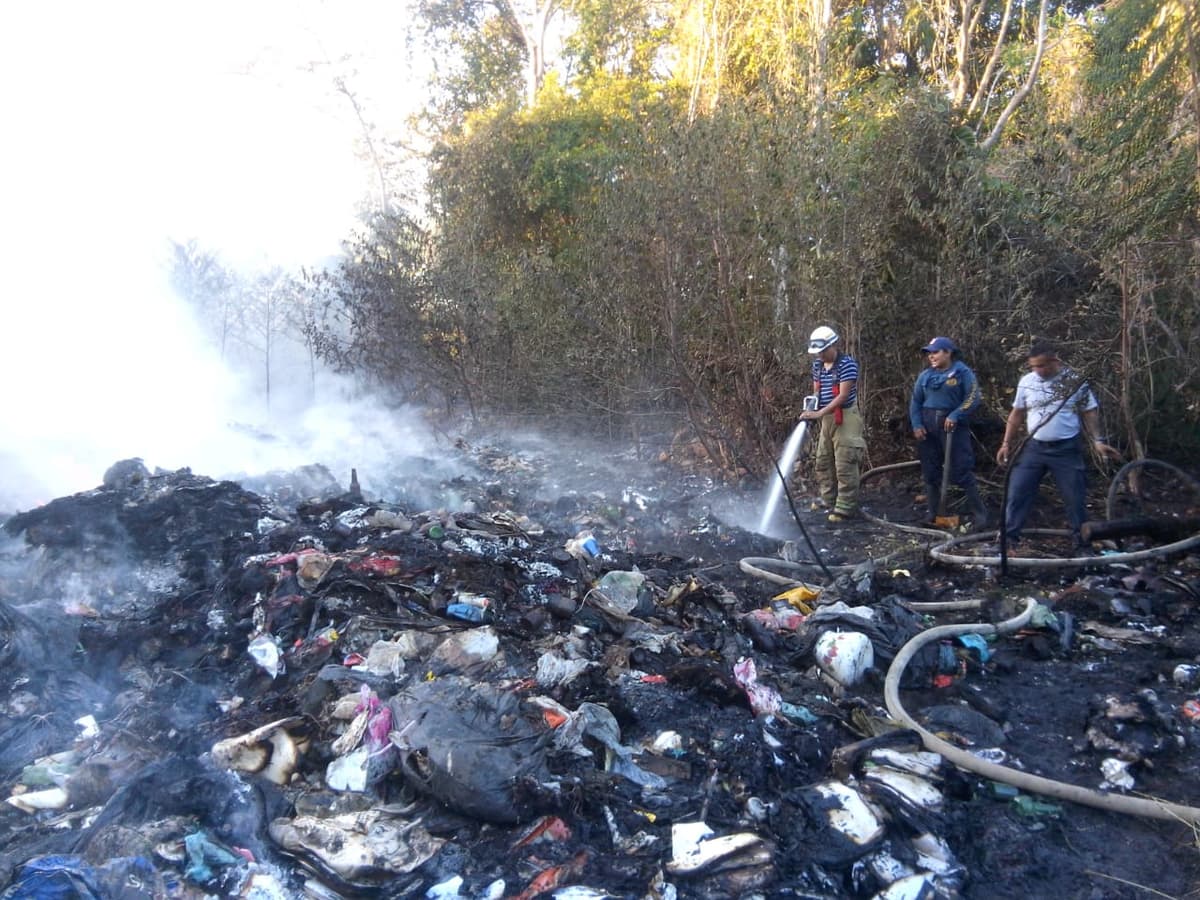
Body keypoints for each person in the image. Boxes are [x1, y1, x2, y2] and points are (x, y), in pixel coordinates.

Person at [995, 341, 1119, 549]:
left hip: (1066, 450)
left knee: (1074, 497)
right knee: (1017, 492)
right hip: (1034, 448)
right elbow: (1017, 414)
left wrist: (1098, 441)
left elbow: (1089, 411)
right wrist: (1006, 443)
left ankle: (1081, 542)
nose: (1038, 371)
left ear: (1055, 361)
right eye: (1034, 366)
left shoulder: (1073, 381)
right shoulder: (1027, 382)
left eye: (1042, 365)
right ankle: (1008, 540)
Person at [909, 336, 988, 527]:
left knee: (961, 469)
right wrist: (917, 424)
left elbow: (972, 397)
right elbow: (916, 401)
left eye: (935, 352)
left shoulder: (962, 372)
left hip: (952, 427)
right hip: (928, 427)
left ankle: (980, 515)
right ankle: (933, 513)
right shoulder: (925, 376)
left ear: (948, 352)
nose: (931, 356)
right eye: (929, 353)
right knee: (930, 471)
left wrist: (956, 414)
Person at [800, 326, 866, 522]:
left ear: (832, 345)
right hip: (827, 419)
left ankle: (846, 505)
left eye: (822, 351)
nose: (820, 355)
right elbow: (817, 392)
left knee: (845, 461)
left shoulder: (847, 365)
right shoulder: (818, 366)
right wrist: (810, 410)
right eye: (817, 352)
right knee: (822, 460)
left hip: (846, 417)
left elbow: (843, 395)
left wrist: (819, 412)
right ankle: (828, 499)